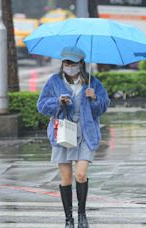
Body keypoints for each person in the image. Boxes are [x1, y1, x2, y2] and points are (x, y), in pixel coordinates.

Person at [37, 46, 110, 228]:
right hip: (63, 132)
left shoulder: (92, 82)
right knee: (67, 178)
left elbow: (103, 107)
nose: (68, 66)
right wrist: (57, 102)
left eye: (72, 63)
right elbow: (41, 105)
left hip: (86, 132)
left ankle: (82, 215)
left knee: (81, 174)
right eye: (66, 62)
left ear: (81, 64)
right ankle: (68, 219)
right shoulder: (54, 81)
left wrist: (94, 99)